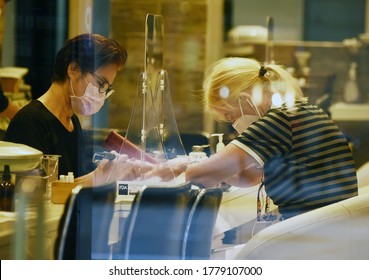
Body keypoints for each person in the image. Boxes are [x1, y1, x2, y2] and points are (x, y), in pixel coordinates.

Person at [184, 57, 358, 221]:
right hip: (332, 225)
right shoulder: (303, 110)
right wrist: (210, 167)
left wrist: (188, 167)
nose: (235, 125)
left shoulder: (279, 120)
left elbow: (200, 176)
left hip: (314, 228)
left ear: (245, 99)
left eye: (230, 117)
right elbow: (250, 177)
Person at [5, 33, 138, 186]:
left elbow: (70, 182)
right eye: (100, 83)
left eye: (106, 89)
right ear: (73, 69)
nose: (101, 94)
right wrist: (97, 179)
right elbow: (36, 196)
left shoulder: (72, 122)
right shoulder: (30, 122)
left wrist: (103, 174)